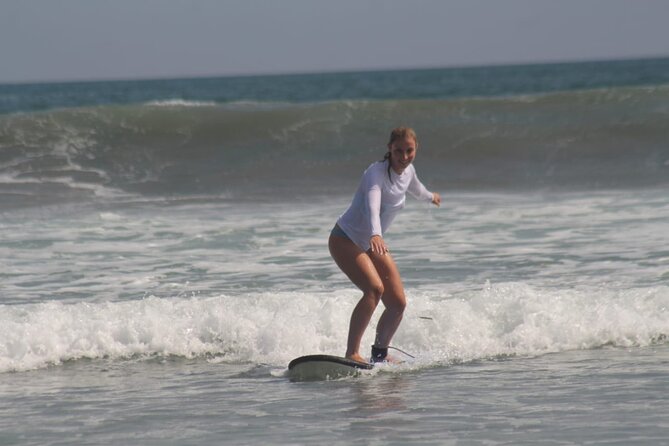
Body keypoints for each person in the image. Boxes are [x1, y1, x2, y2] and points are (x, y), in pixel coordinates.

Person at [328, 127, 441, 364]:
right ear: (389, 148)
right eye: (398, 150)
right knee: (374, 290)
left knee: (398, 303)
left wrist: (431, 197)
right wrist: (376, 234)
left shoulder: (408, 171)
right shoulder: (375, 173)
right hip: (345, 238)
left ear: (415, 149)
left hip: (370, 242)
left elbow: (417, 189)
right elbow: (372, 203)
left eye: (409, 151)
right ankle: (352, 353)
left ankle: (379, 355)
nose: (404, 156)